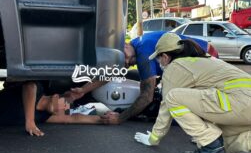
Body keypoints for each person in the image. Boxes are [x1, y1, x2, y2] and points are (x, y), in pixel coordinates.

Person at [134, 33, 251, 153]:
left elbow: (166, 105)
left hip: (242, 103)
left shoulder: (175, 67)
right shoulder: (206, 59)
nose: (159, 62)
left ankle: (211, 145)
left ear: (165, 56)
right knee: (218, 143)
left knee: (173, 97)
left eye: (159, 58)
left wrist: (153, 138)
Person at [64, 31, 218, 124]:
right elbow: (110, 73)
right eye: (121, 62)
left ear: (124, 45)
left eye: (124, 59)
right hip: (197, 58)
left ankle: (208, 130)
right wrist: (83, 90)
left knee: (178, 99)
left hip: (205, 56)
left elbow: (146, 96)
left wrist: (120, 118)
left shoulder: (143, 53)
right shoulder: (135, 46)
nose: (125, 63)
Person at [0, 82, 103, 136]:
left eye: (64, 109)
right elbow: (30, 86)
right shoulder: (38, 91)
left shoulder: (44, 116)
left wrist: (105, 120)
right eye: (64, 104)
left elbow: (74, 118)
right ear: (55, 96)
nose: (62, 109)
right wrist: (30, 121)